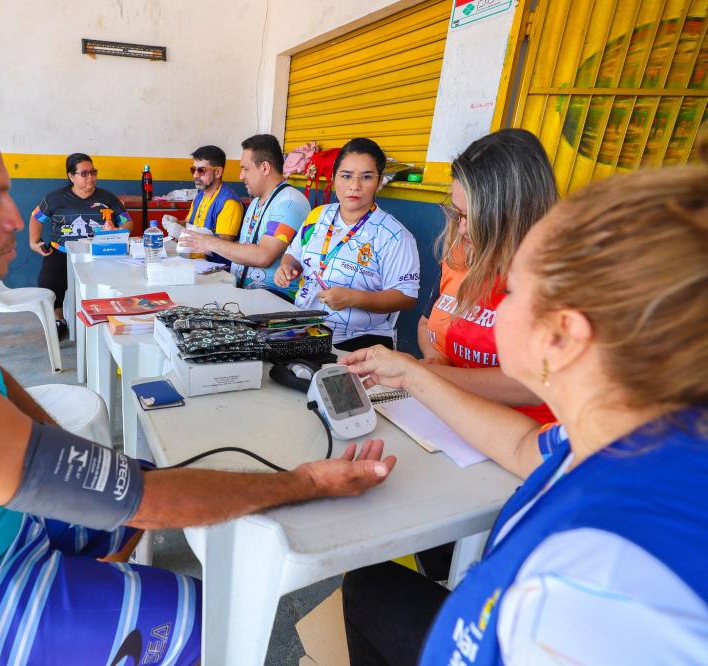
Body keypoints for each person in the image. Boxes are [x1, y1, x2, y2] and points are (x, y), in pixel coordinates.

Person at [0, 70, 397, 666]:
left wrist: (75, 460)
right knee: (209, 617)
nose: (18, 220)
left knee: (131, 485)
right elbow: (143, 500)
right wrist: (305, 483)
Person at [339, 163, 708, 665]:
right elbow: (521, 446)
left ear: (562, 336)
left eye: (511, 291)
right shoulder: (635, 433)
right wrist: (410, 374)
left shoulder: (588, 588)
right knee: (371, 587)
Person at [419, 128, 557, 423]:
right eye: (458, 212)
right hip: (451, 419)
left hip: (519, 439)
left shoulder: (553, 277)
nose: (463, 228)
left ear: (516, 216)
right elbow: (425, 322)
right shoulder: (458, 249)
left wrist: (430, 375)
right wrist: (434, 356)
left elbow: (532, 385)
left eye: (475, 217)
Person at [274, 138, 420, 352]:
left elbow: (406, 297)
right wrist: (287, 267)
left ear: (379, 182)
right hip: (305, 325)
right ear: (333, 179)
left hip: (360, 338)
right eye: (346, 176)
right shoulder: (317, 216)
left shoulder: (395, 236)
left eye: (367, 177)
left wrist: (354, 298)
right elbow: (293, 254)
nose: (354, 186)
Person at [179, 134, 310, 301]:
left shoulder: (289, 202)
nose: (241, 176)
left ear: (264, 168)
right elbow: (245, 248)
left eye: (245, 169)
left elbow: (264, 256)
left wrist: (208, 242)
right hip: (243, 293)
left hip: (273, 300)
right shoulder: (256, 202)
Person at [28, 153, 132, 337]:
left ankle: (104, 318)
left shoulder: (107, 197)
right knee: (48, 283)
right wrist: (33, 242)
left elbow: (127, 222)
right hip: (62, 251)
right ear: (71, 176)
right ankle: (58, 320)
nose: (90, 177)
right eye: (84, 173)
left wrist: (116, 231)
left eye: (93, 172)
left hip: (99, 252)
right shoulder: (55, 198)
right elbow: (36, 217)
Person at [178, 144, 244, 265]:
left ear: (218, 172)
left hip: (216, 268)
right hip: (193, 261)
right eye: (193, 169)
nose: (195, 175)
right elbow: (189, 223)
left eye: (201, 170)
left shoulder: (229, 203)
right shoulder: (200, 196)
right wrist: (175, 224)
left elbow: (223, 245)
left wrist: (181, 231)